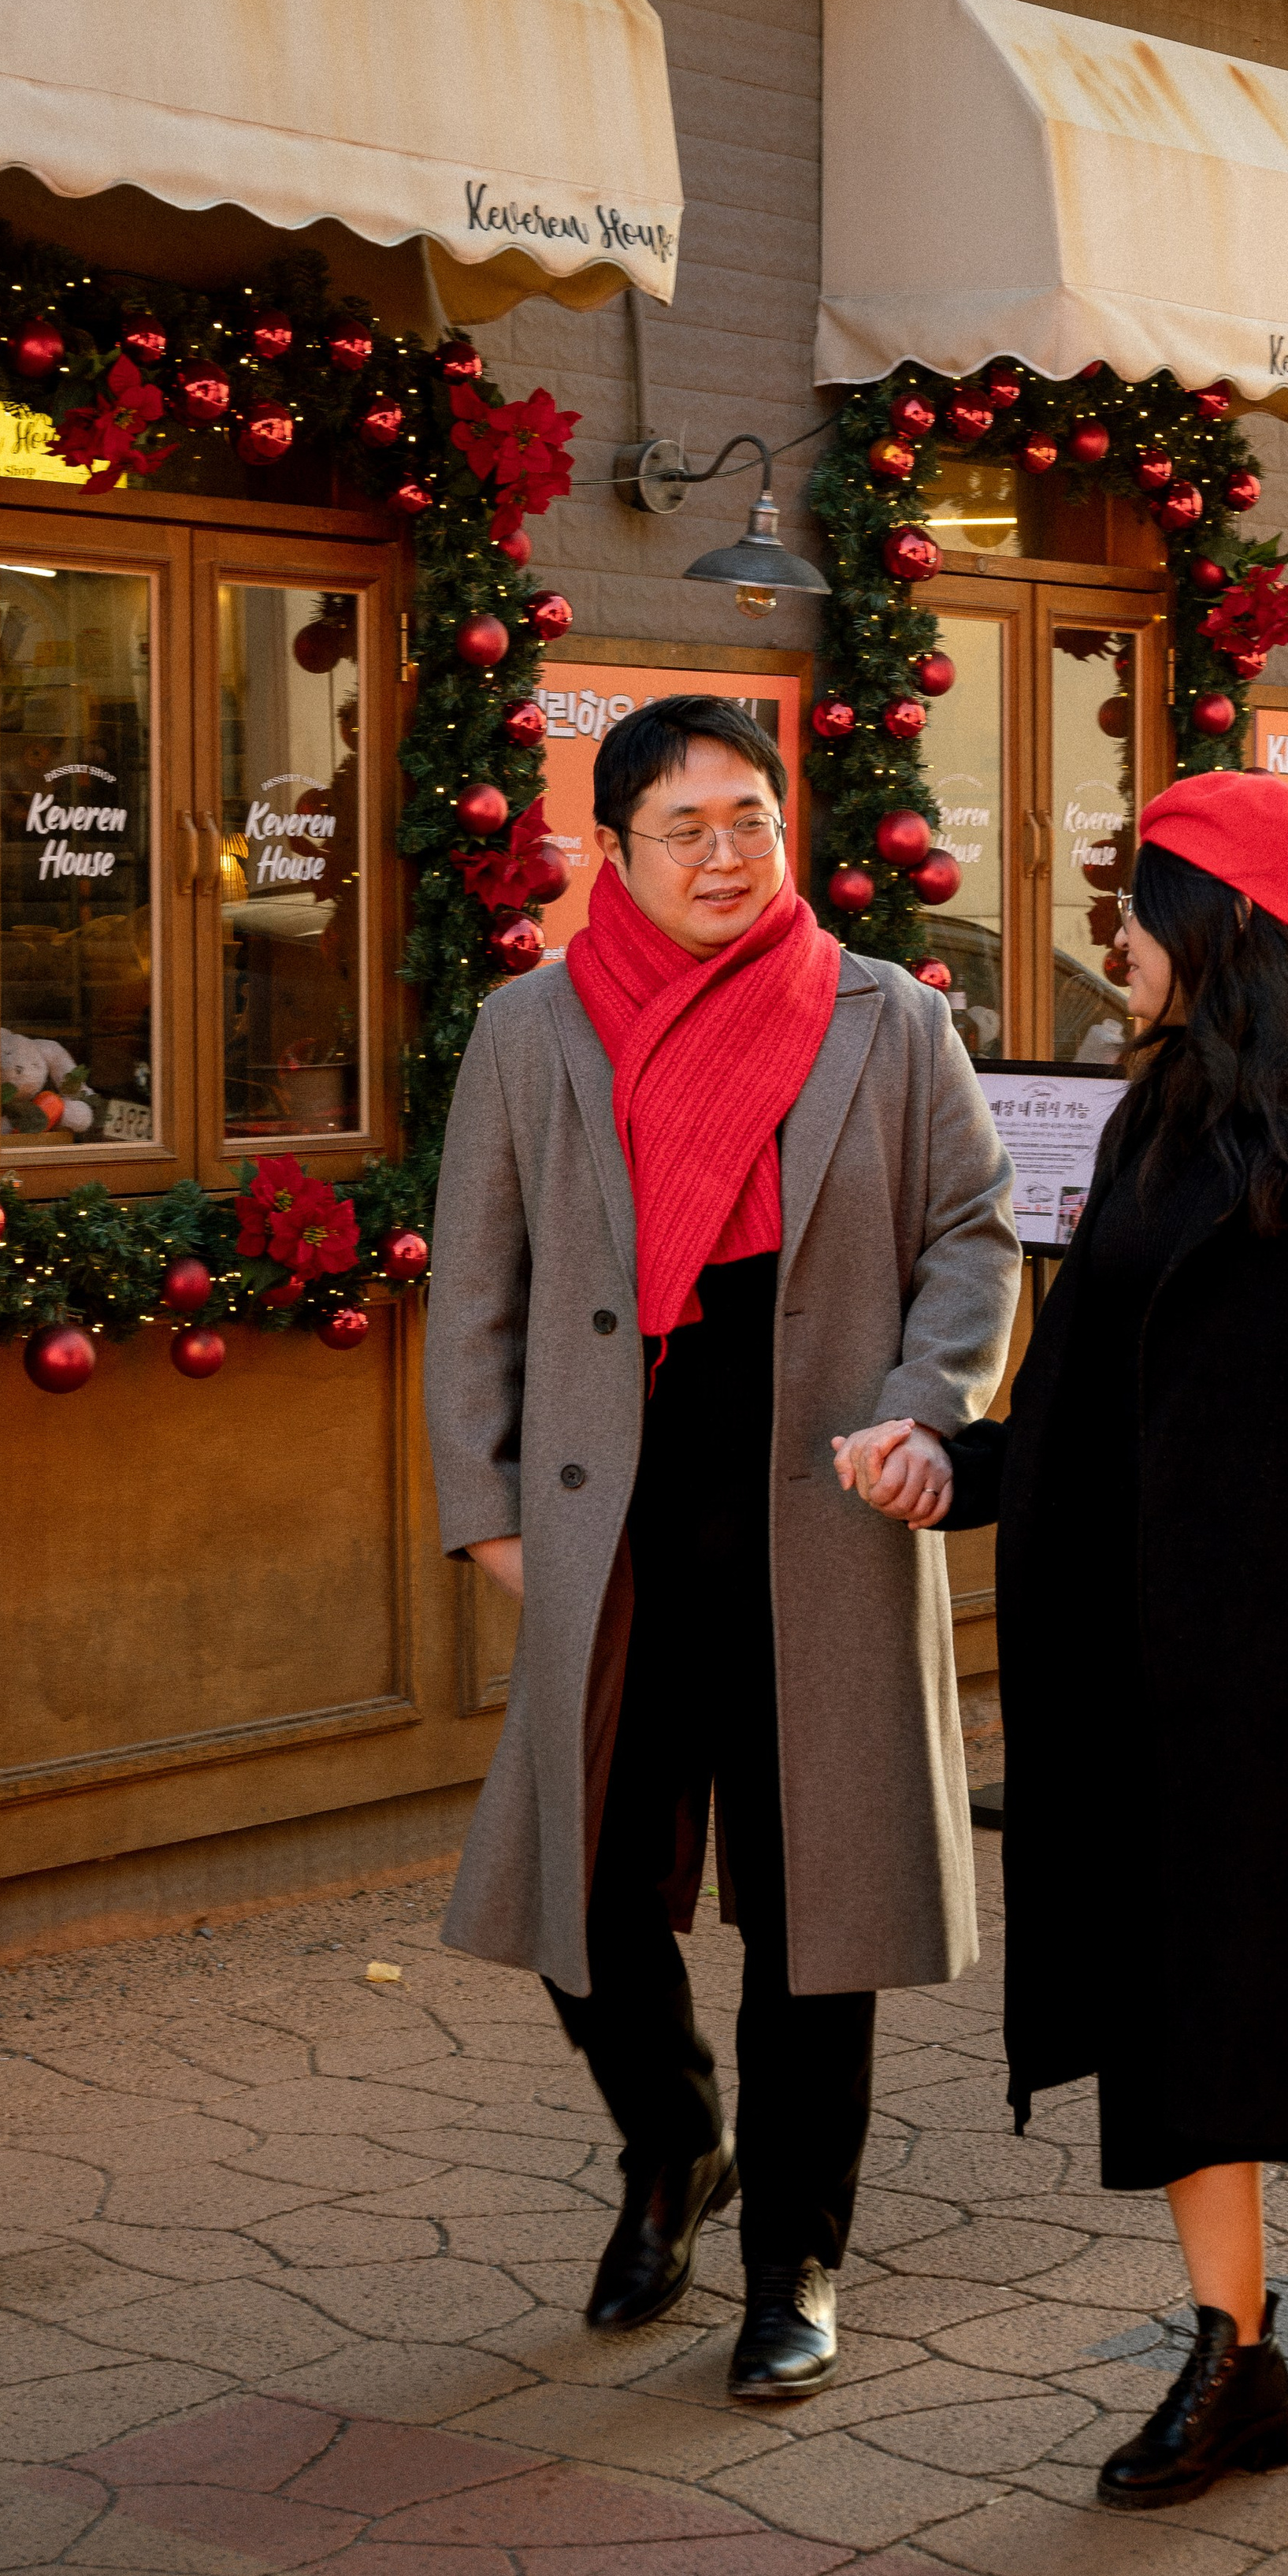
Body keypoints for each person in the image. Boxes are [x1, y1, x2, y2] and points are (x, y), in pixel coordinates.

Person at [838, 768, 1288, 2506]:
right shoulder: (1151, 1123)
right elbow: (1092, 1398)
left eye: (1134, 907)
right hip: (1132, 1672)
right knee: (1175, 2013)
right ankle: (1230, 2358)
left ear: (1214, 921)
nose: (1113, 943)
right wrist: (961, 1460)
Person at [425, 696, 1019, 2399]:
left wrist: (927, 1406)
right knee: (589, 1895)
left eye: (748, 818)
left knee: (812, 1912)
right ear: (610, 847)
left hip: (818, 1521)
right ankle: (675, 2140)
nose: (723, 854)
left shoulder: (882, 1022)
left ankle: (796, 2263)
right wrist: (483, 1511)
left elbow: (971, 1237)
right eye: (684, 825)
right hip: (603, 1530)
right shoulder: (534, 1032)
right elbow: (476, 1289)